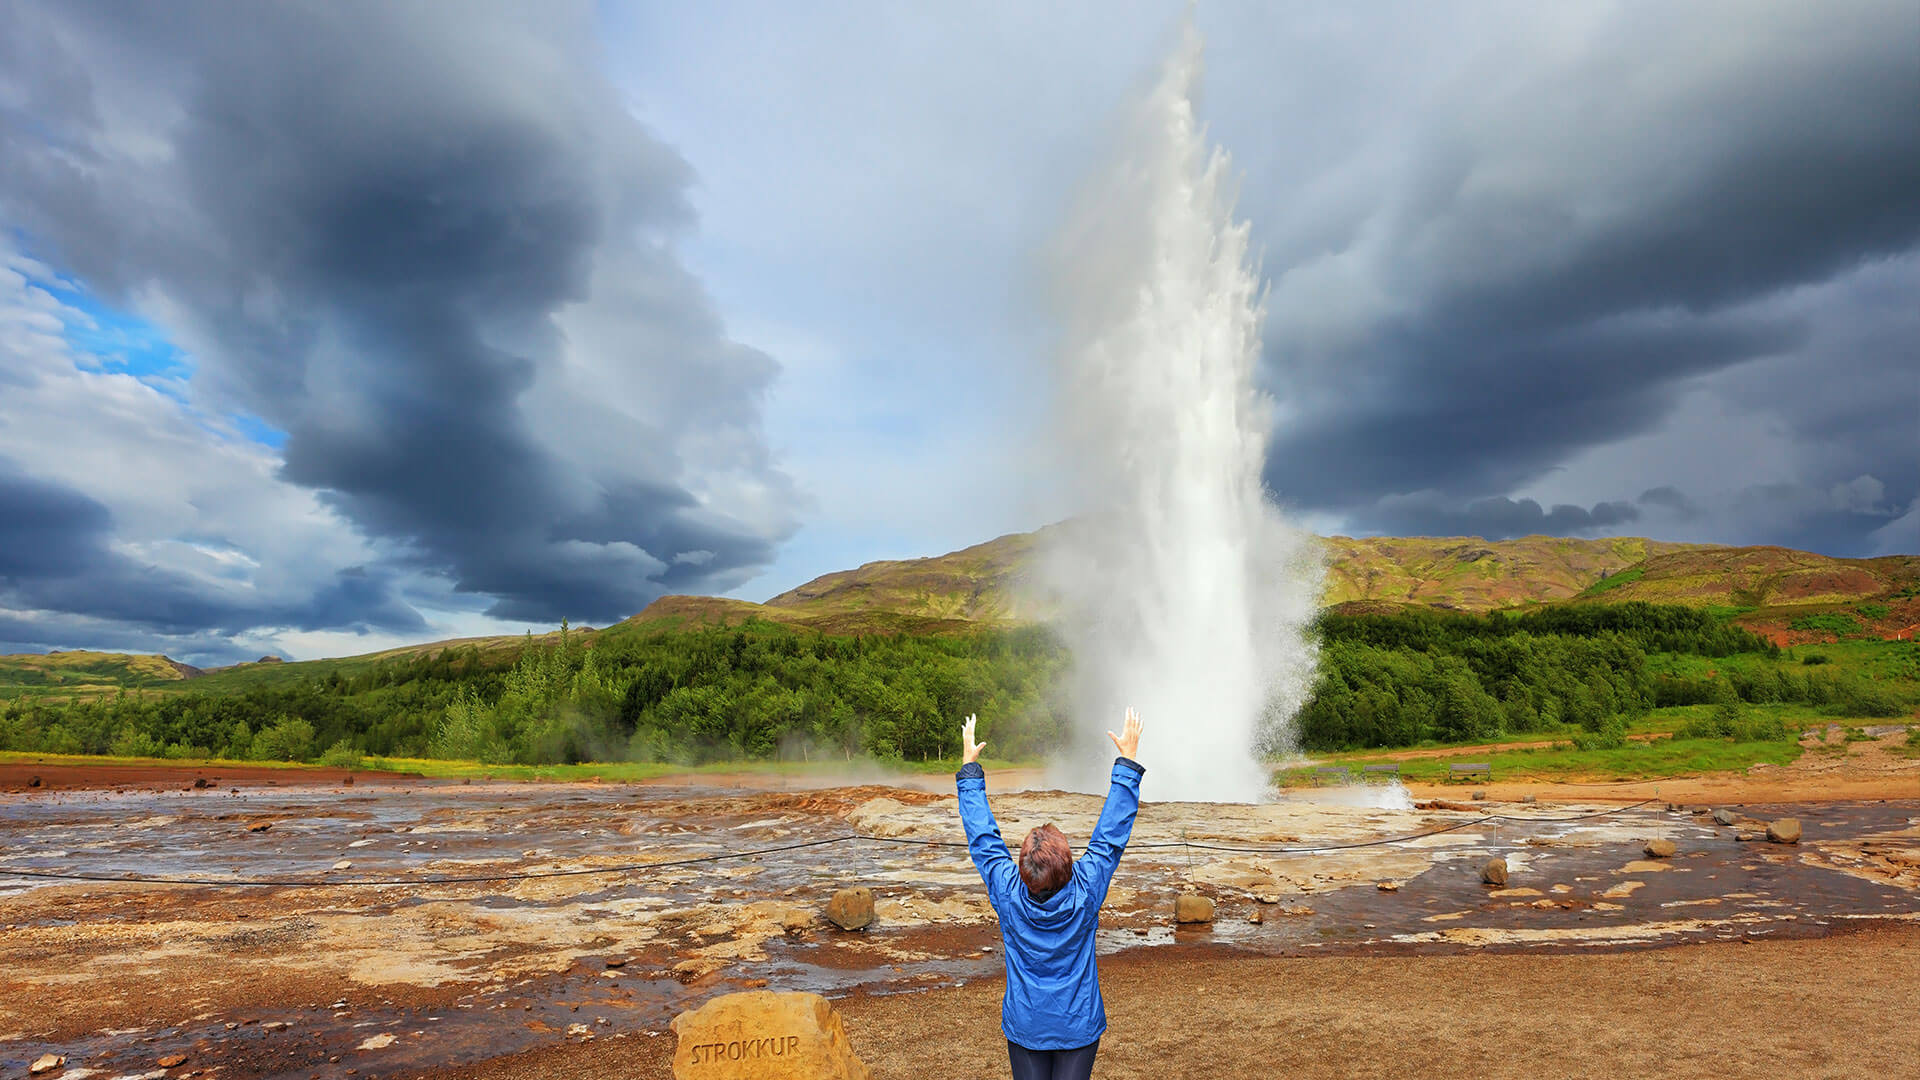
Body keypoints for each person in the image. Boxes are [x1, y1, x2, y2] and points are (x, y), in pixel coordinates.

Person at [955, 707, 1145, 1080]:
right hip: (1078, 1026)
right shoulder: (1087, 888)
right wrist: (1127, 761)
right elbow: (1110, 838)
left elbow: (984, 839)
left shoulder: (1008, 891)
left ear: (1023, 868)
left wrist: (970, 771)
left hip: (1027, 1025)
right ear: (1068, 864)